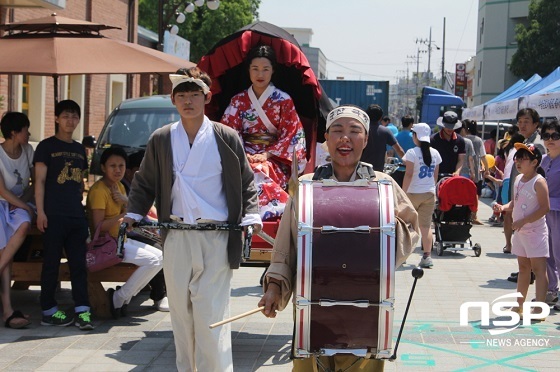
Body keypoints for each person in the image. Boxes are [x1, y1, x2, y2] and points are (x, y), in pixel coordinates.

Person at [258, 105, 420, 372]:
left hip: (367, 305)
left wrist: (378, 236)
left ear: (366, 140)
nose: (345, 138)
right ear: (326, 139)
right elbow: (285, 244)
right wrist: (275, 286)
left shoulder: (384, 186)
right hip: (313, 305)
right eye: (338, 131)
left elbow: (410, 226)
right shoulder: (307, 186)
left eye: (355, 131)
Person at [122, 67, 262, 371]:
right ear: (173, 100)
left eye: (194, 94)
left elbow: (245, 180)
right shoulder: (161, 138)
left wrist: (251, 215)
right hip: (175, 234)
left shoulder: (226, 136)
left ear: (206, 97)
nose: (188, 101)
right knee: (181, 315)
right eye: (181, 95)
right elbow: (145, 182)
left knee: (210, 315)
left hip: (216, 236)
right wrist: (133, 213)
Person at [221, 44, 306, 221]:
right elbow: (229, 133)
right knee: (243, 169)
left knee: (259, 169)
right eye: (255, 69)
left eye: (265, 69)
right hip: (243, 155)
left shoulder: (284, 100)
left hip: (274, 157)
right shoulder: (238, 101)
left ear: (273, 70)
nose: (260, 74)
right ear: (249, 70)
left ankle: (269, 210)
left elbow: (291, 134)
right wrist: (243, 154)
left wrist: (267, 154)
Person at [34, 100, 93, 330]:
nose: (71, 120)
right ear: (57, 118)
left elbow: (80, 184)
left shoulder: (80, 149)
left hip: (76, 216)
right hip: (53, 214)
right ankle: (48, 310)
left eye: (74, 116)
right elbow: (38, 182)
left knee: (79, 264)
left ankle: (83, 310)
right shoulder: (46, 147)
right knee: (51, 264)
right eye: (66, 116)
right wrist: (40, 212)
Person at [86, 147, 163, 319]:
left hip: (121, 239)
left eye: (121, 165)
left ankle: (121, 298)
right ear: (103, 167)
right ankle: (119, 298)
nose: (118, 170)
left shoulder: (119, 186)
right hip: (106, 244)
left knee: (161, 257)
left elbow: (129, 215)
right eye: (112, 166)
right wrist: (123, 215)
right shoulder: (99, 191)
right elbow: (99, 226)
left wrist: (126, 206)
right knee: (152, 260)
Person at [493, 143, 549, 320]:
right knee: (523, 268)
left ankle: (540, 309)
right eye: (517, 157)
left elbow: (545, 208)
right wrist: (503, 207)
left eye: (524, 158)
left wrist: (523, 221)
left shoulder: (539, 182)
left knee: (539, 270)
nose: (518, 161)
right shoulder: (518, 179)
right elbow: (515, 204)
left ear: (535, 162)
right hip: (521, 232)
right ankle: (519, 306)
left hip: (535, 232)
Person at [121, 150, 168, 312]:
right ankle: (159, 296)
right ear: (129, 171)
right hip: (130, 234)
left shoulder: (142, 186)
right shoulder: (123, 188)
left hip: (143, 230)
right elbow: (134, 217)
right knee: (159, 250)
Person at [0, 112, 34, 329]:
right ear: (14, 132)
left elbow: (33, 183)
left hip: (22, 202)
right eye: (25, 130)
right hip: (2, 202)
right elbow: (1, 190)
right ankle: (7, 311)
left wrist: (23, 203)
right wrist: (21, 205)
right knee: (6, 254)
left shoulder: (28, 151)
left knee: (23, 225)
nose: (28, 133)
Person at [402, 123, 442, 268]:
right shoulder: (436, 153)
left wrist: (402, 193)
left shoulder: (412, 153)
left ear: (416, 136)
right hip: (429, 194)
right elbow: (435, 176)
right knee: (426, 227)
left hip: (412, 193)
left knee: (407, 225)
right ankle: (427, 257)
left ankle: (403, 255)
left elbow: (409, 174)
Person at [540, 120, 560, 308]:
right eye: (546, 136)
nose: (550, 140)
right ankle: (552, 290)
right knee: (547, 254)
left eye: (555, 136)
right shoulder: (545, 161)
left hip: (559, 212)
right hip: (544, 212)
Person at [361, 104, 404, 172]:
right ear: (381, 118)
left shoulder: (361, 130)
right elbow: (399, 149)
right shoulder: (385, 131)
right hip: (378, 172)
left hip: (361, 171)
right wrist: (407, 162)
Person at [501, 134, 525, 255]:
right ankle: (516, 244)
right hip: (516, 180)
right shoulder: (523, 150)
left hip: (506, 180)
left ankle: (508, 244)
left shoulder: (508, 150)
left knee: (508, 214)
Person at [430, 111, 466, 179]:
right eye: (447, 126)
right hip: (435, 177)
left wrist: (457, 172)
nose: (450, 129)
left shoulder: (460, 140)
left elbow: (461, 159)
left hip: (452, 178)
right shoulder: (433, 140)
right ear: (443, 125)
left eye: (452, 127)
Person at [392, 115, 416, 186]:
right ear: (411, 124)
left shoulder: (395, 136)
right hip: (411, 170)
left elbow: (390, 153)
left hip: (396, 169)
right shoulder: (414, 138)